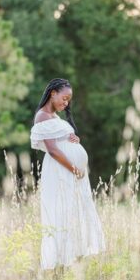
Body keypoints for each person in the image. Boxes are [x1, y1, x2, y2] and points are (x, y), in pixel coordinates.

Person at [30, 78, 105, 270]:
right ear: (53, 93)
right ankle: (57, 264)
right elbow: (53, 150)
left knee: (71, 210)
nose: (66, 103)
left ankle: (71, 260)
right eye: (64, 98)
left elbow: (61, 141)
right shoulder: (42, 116)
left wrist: (73, 139)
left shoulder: (55, 118)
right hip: (61, 171)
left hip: (70, 172)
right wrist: (74, 168)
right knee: (60, 211)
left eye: (69, 100)